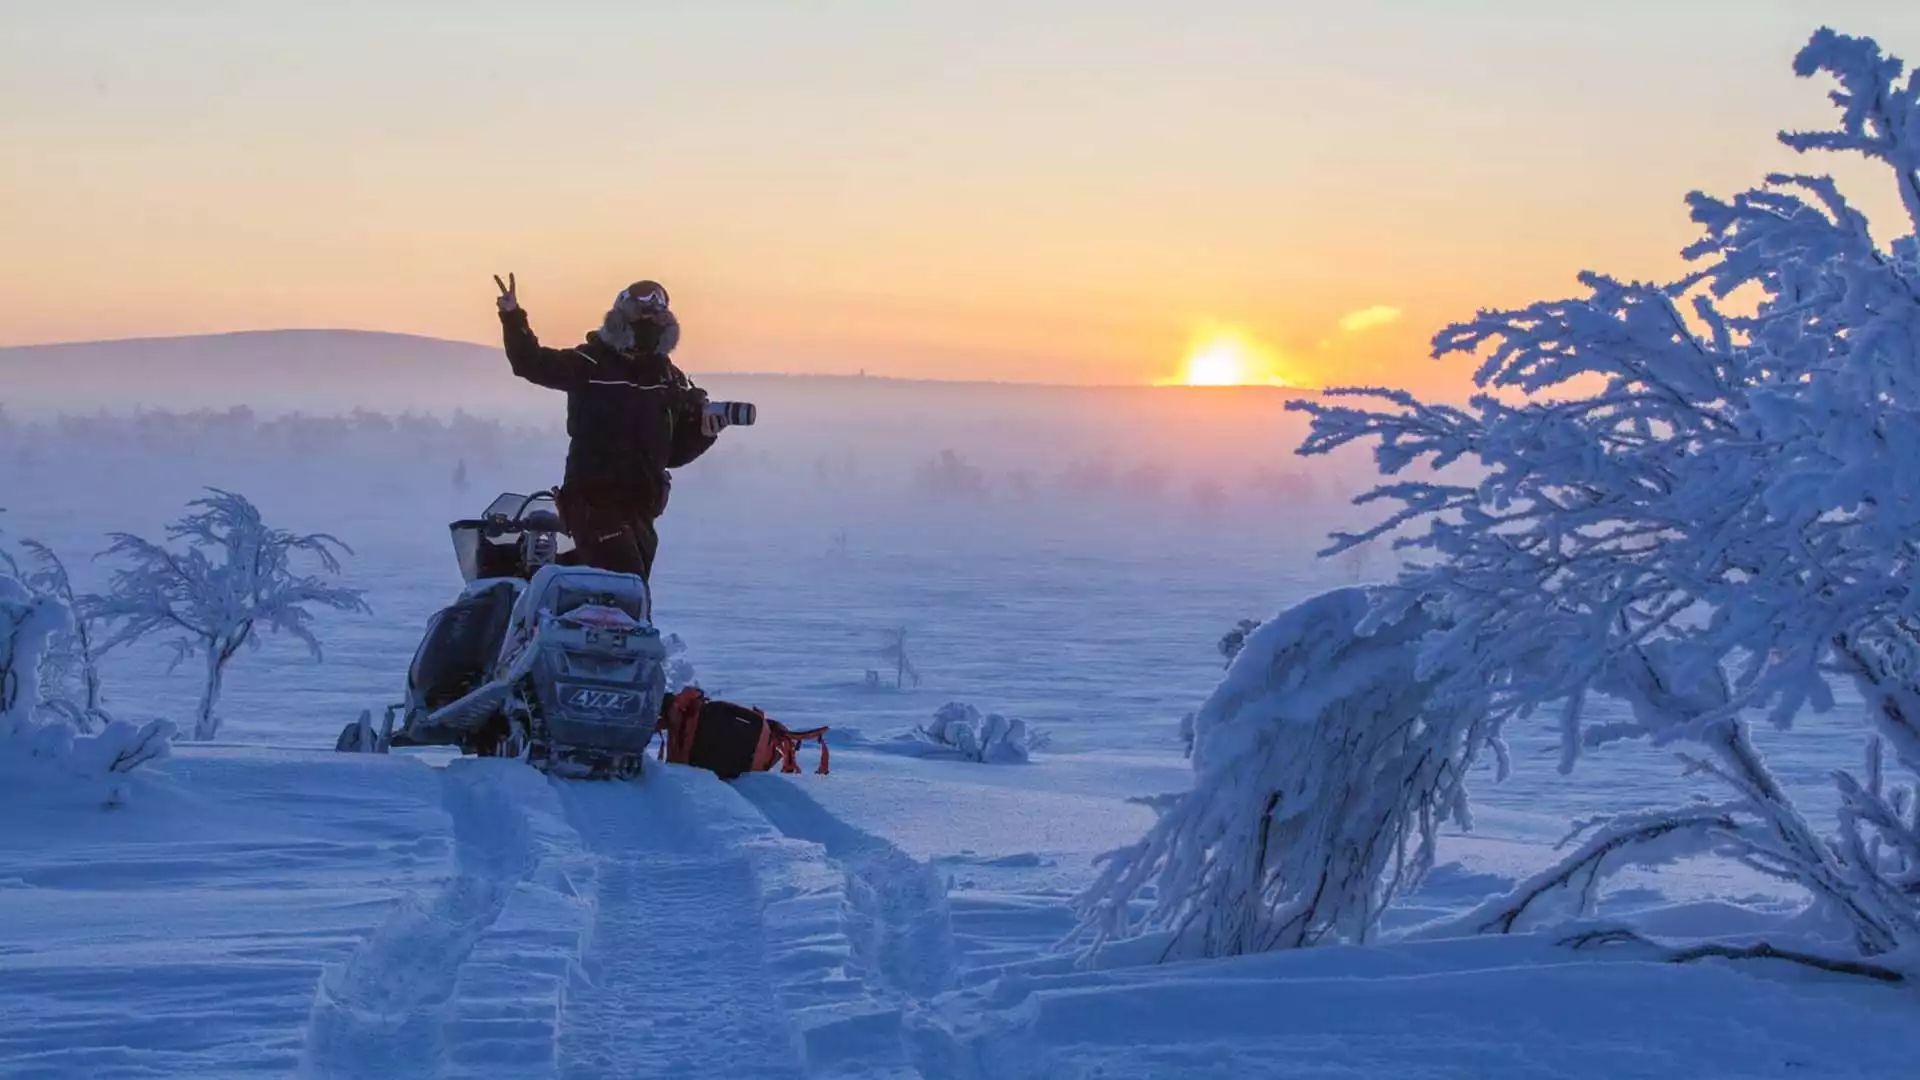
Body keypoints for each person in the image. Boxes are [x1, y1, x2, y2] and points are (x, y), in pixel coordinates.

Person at [493, 273, 730, 580]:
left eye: (657, 317)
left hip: (642, 507)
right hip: (592, 501)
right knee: (624, 581)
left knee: (632, 596)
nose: (649, 323)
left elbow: (670, 454)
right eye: (642, 315)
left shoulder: (669, 379)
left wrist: (704, 433)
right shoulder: (592, 363)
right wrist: (514, 318)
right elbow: (532, 363)